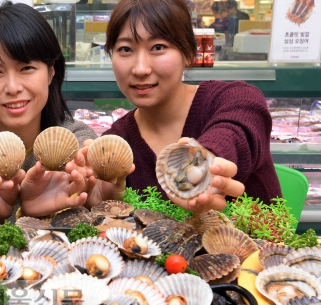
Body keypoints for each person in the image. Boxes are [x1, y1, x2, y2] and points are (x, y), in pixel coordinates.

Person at [97, 0, 280, 213]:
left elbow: (235, 131)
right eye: (125, 49)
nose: (140, 69)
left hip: (261, 246)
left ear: (188, 53)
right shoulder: (116, 144)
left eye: (158, 47)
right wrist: (97, 202)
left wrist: (205, 162)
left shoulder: (234, 99)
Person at [0, 2, 103, 237]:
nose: (13, 87)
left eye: (26, 68)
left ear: (51, 71)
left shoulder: (76, 139)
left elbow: (78, 204)